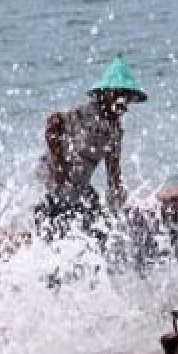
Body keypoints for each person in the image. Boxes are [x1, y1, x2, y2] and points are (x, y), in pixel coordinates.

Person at [34, 56, 147, 238]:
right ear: (104, 94)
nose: (122, 100)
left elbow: (113, 172)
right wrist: (60, 166)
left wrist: (119, 204)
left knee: (99, 229)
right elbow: (52, 124)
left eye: (126, 96)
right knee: (53, 222)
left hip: (79, 187)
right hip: (53, 179)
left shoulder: (115, 130)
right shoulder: (85, 113)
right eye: (117, 93)